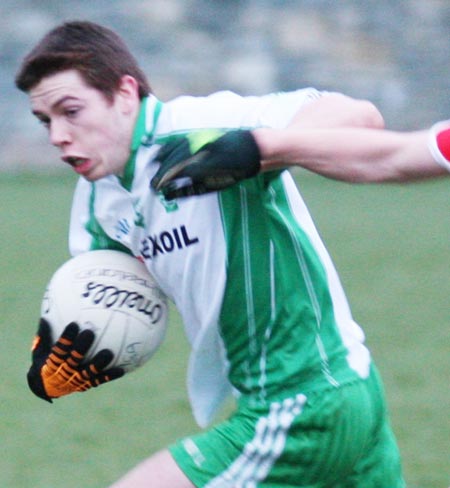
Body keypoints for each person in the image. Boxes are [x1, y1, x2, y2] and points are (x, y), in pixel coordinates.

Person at [16, 20, 445, 488]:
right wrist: (64, 357)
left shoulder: (201, 128)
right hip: (340, 390)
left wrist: (258, 149)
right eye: (46, 120)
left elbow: (360, 118)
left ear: (124, 94)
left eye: (71, 111)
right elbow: (114, 304)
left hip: (305, 404)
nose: (57, 134)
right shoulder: (97, 202)